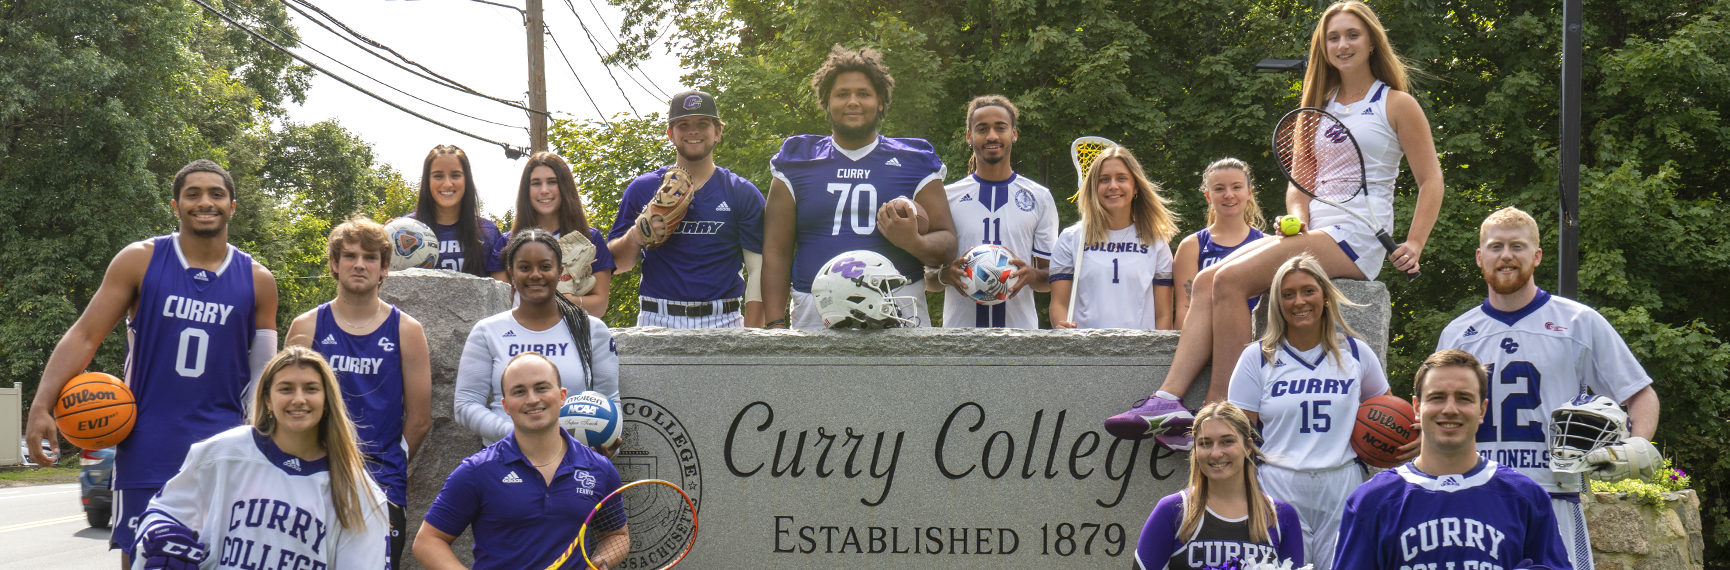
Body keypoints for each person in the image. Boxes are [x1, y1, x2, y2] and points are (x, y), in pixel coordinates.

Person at [1106, 0, 1444, 449]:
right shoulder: (1315, 107)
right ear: (1323, 48)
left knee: (1229, 280)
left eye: (1352, 35)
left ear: (1371, 43)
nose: (1342, 44)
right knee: (1207, 280)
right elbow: (1298, 187)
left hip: (1358, 239)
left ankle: (1219, 415)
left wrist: (1415, 243)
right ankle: (1168, 400)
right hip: (1316, 232)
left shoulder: (1397, 103)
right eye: (1333, 37)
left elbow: (1430, 180)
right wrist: (1297, 219)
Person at [21, 159, 280, 566]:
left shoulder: (258, 279)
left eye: (216, 194)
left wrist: (268, 441)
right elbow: (85, 335)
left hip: (225, 445)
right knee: (141, 559)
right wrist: (41, 405)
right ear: (176, 206)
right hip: (147, 441)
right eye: (192, 194)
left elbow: (264, 373)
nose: (204, 202)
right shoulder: (140, 260)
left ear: (233, 206)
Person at [1430, 206, 1661, 570]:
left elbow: (1639, 393)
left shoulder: (1579, 321)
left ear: (1536, 255)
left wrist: (1637, 443)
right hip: (1473, 494)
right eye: (1495, 247)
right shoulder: (1457, 333)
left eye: (1517, 246)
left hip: (1551, 494)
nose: (1506, 256)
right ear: (1480, 257)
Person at [128, 346, 389, 570]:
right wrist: (160, 537)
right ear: (267, 400)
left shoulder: (360, 493)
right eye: (286, 389)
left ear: (327, 400)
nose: (299, 399)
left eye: (311, 389)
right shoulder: (221, 453)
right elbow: (163, 512)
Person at [762, 45, 956, 329]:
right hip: (816, 310)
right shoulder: (797, 158)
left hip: (897, 305)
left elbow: (948, 245)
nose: (853, 102)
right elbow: (776, 251)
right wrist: (775, 323)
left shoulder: (915, 159)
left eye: (863, 94)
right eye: (842, 94)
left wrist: (914, 242)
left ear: (880, 101)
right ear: (827, 101)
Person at [1333, 349, 1573, 569]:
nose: (1450, 409)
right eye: (1437, 397)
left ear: (1482, 409)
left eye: (1464, 398)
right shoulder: (1371, 502)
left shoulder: (1526, 498)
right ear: (1417, 407)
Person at [285, 215, 433, 570]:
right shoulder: (306, 327)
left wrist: (386, 465)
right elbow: (285, 408)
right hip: (311, 477)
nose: (359, 264)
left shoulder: (407, 331)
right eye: (350, 256)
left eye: (370, 258)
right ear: (334, 264)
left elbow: (420, 419)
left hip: (379, 483)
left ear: (384, 269)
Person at [1225, 253, 1390, 570]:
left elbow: (1389, 418)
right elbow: (1238, 441)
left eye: (1308, 291)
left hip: (1343, 484)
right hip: (1277, 487)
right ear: (1278, 303)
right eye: (1288, 294)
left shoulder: (1356, 353)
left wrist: (1401, 444)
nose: (1299, 301)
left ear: (1325, 297)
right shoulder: (1256, 358)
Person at [416, 353, 628, 570]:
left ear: (562, 396)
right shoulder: (477, 471)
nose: (532, 399)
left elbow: (617, 535)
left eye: (542, 388)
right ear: (506, 405)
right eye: (519, 391)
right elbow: (428, 541)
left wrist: (598, 565)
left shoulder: (599, 469)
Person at [607, 90, 766, 327]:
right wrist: (636, 235)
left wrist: (754, 339)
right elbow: (616, 266)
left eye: (703, 123)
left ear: (718, 132)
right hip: (657, 318)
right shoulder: (643, 189)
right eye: (684, 124)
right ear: (671, 133)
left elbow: (759, 271)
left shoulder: (741, 192)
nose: (694, 131)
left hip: (723, 320)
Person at [456, 229, 621, 447]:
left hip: (573, 458)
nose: (535, 275)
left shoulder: (592, 329)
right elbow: (465, 405)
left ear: (560, 271)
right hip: (506, 458)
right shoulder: (487, 331)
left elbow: (610, 402)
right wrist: (519, 436)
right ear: (511, 273)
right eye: (524, 268)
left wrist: (604, 446)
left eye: (545, 266)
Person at [927, 95, 1058, 329]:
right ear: (969, 135)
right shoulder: (946, 198)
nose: (992, 136)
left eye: (1000, 128)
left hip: (1020, 339)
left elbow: (1051, 279)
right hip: (959, 339)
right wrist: (945, 276)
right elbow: (927, 279)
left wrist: (1031, 275)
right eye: (982, 129)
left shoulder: (1040, 197)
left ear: (1014, 134)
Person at [1134, 402, 1304, 569]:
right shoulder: (1172, 510)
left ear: (1248, 447)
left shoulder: (1282, 516)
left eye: (1227, 441)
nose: (1215, 453)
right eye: (1205, 443)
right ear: (1196, 450)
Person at [1048, 145, 1180, 329]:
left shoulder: (1156, 242)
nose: (1113, 186)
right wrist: (1062, 328)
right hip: (1084, 351)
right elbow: (1059, 304)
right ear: (1094, 188)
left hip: (1140, 352)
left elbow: (1163, 315)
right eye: (1104, 180)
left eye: (1122, 178)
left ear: (1136, 187)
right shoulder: (1071, 239)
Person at [504, 152, 615, 316]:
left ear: (565, 186)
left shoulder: (591, 239)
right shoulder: (507, 242)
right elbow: (501, 306)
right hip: (521, 336)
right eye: (536, 183)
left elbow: (600, 306)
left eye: (552, 182)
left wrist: (564, 301)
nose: (544, 190)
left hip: (574, 337)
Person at [1173, 158, 1268, 329]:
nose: (1229, 195)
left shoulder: (1267, 244)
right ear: (1208, 196)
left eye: (1237, 187)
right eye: (1219, 189)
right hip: (1208, 341)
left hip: (1258, 345)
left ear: (1249, 192)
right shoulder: (1192, 246)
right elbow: (1184, 309)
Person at [407, 144, 506, 280]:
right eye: (438, 176)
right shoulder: (404, 231)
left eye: (455, 175)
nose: (447, 183)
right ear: (427, 181)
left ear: (466, 180)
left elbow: (501, 294)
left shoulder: (488, 233)